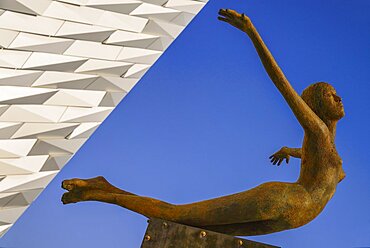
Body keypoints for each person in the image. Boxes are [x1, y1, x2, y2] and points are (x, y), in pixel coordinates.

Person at [61, 9, 346, 236]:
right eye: (331, 95)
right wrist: (252, 33)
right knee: (174, 215)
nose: (339, 98)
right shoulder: (318, 133)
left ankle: (105, 186)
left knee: (188, 226)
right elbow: (282, 84)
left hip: (292, 217)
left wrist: (288, 150)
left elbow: (312, 160)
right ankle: (101, 193)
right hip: (281, 203)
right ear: (317, 105)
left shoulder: (324, 144)